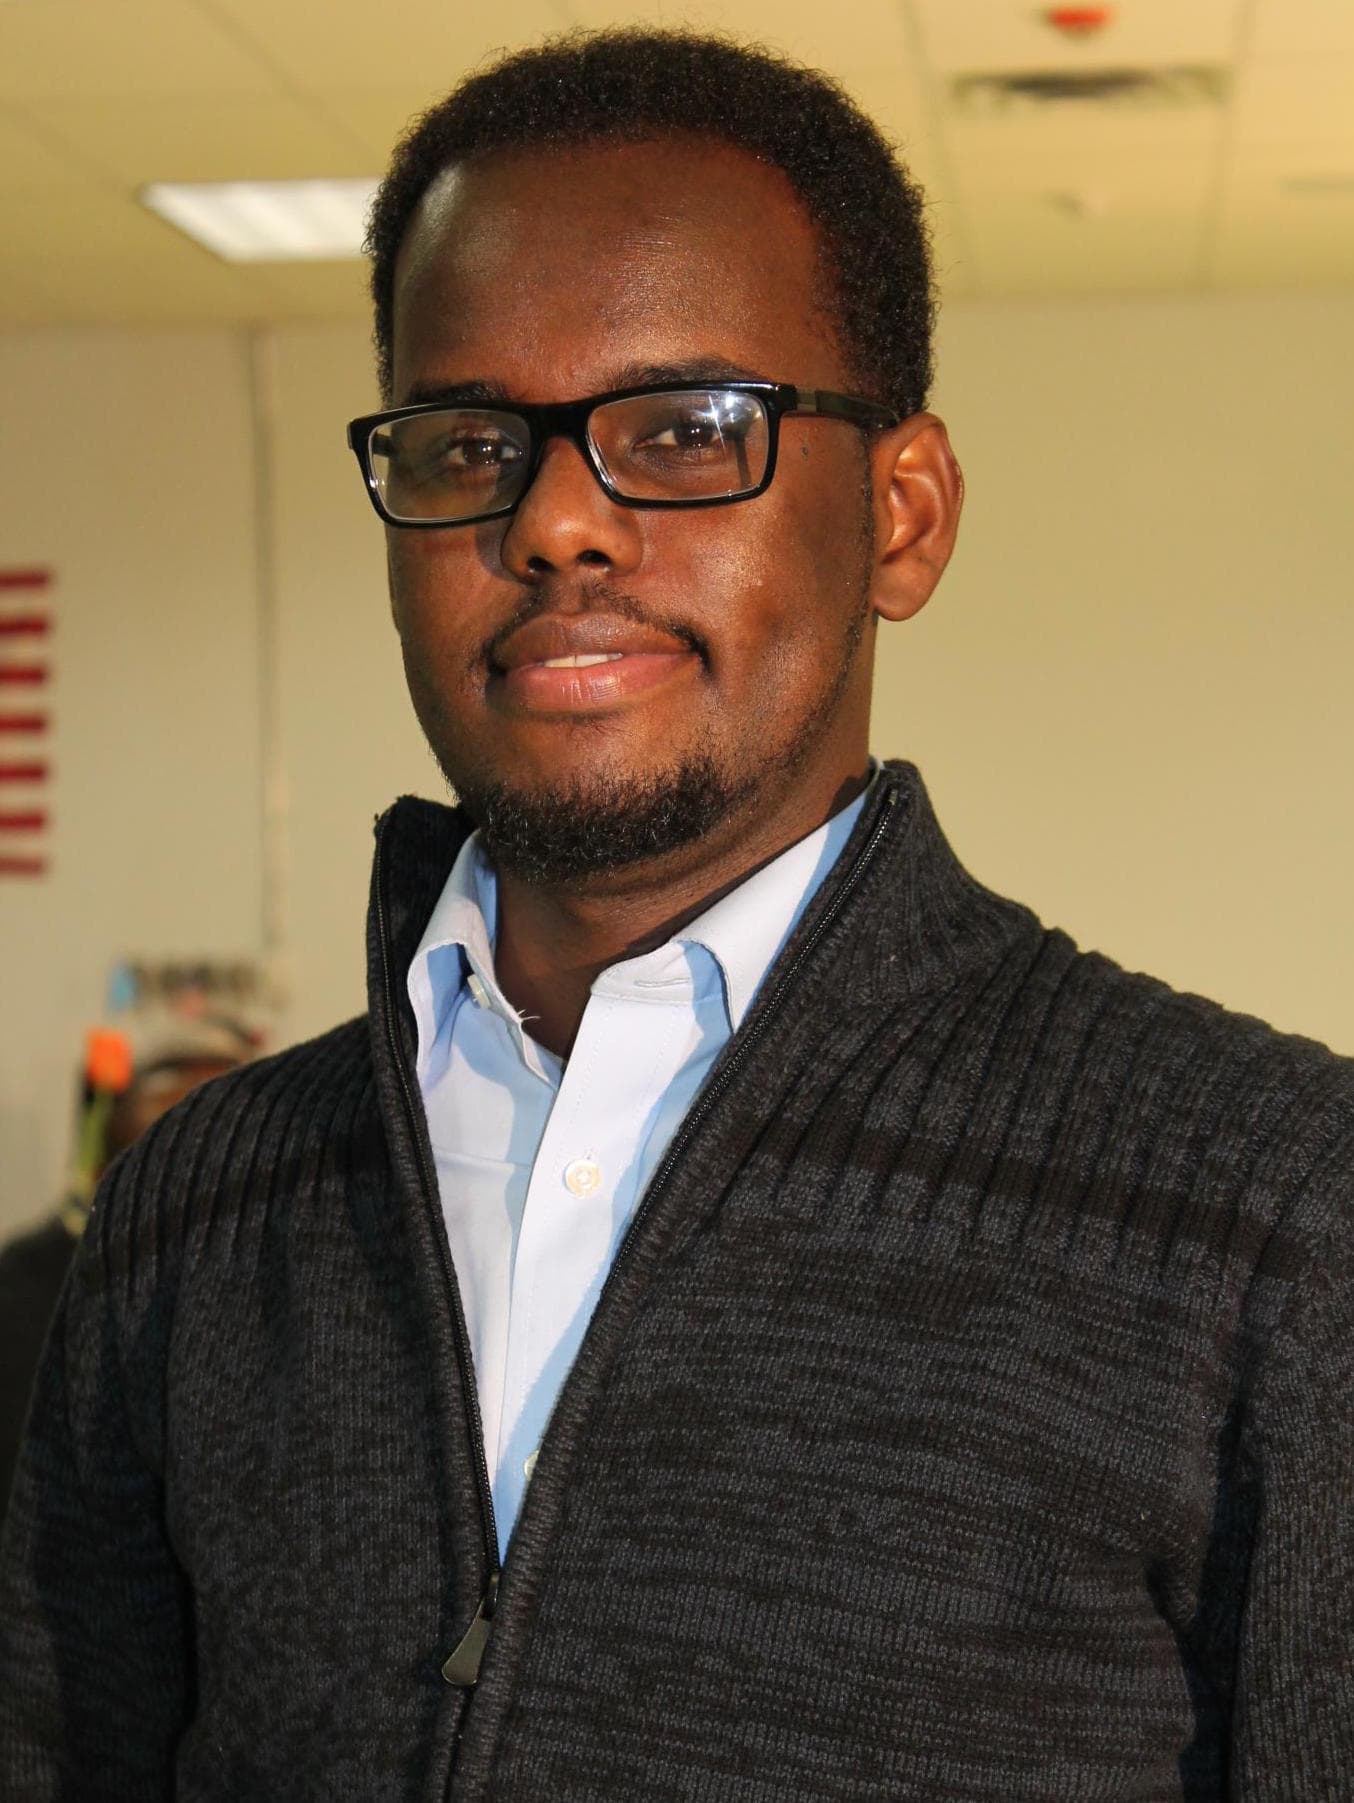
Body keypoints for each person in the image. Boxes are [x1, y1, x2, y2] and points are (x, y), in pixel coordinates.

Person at [2, 28, 1351, 1800]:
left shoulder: (1270, 1210)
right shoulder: (202, 1204)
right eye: (468, 440)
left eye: (686, 430)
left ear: (901, 516)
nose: (556, 521)